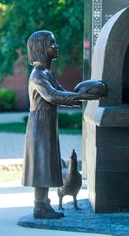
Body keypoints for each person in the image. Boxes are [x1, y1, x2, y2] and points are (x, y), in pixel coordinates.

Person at [22, 30, 98, 219]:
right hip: (40, 124)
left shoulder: (47, 72)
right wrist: (79, 96)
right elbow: (52, 95)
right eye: (52, 44)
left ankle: (44, 204)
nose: (57, 47)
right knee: (41, 163)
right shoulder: (38, 75)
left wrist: (80, 96)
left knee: (47, 162)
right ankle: (39, 206)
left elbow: (61, 92)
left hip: (47, 122)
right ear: (40, 49)